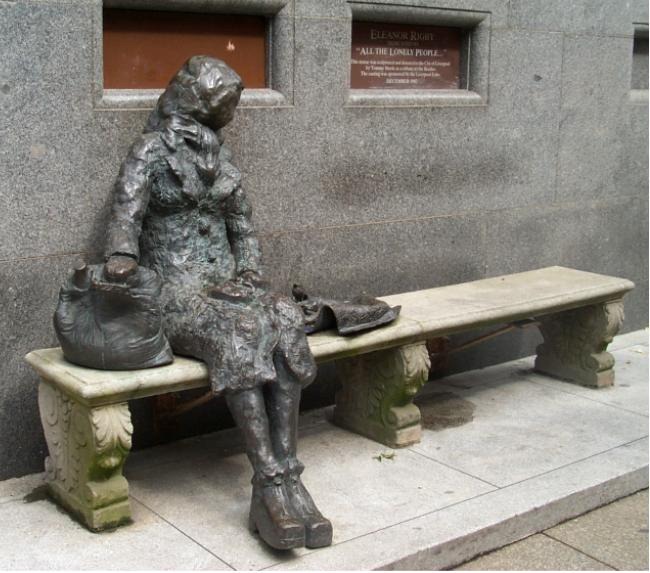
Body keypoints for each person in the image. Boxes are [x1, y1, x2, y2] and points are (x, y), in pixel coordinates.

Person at [103, 56, 332, 550]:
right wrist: (121, 258)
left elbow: (243, 228)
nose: (229, 111)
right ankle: (268, 480)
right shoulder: (151, 152)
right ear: (197, 102)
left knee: (285, 315)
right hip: (174, 291)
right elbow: (125, 214)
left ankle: (292, 475)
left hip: (229, 287)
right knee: (240, 332)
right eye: (223, 103)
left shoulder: (223, 160)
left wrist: (249, 273)